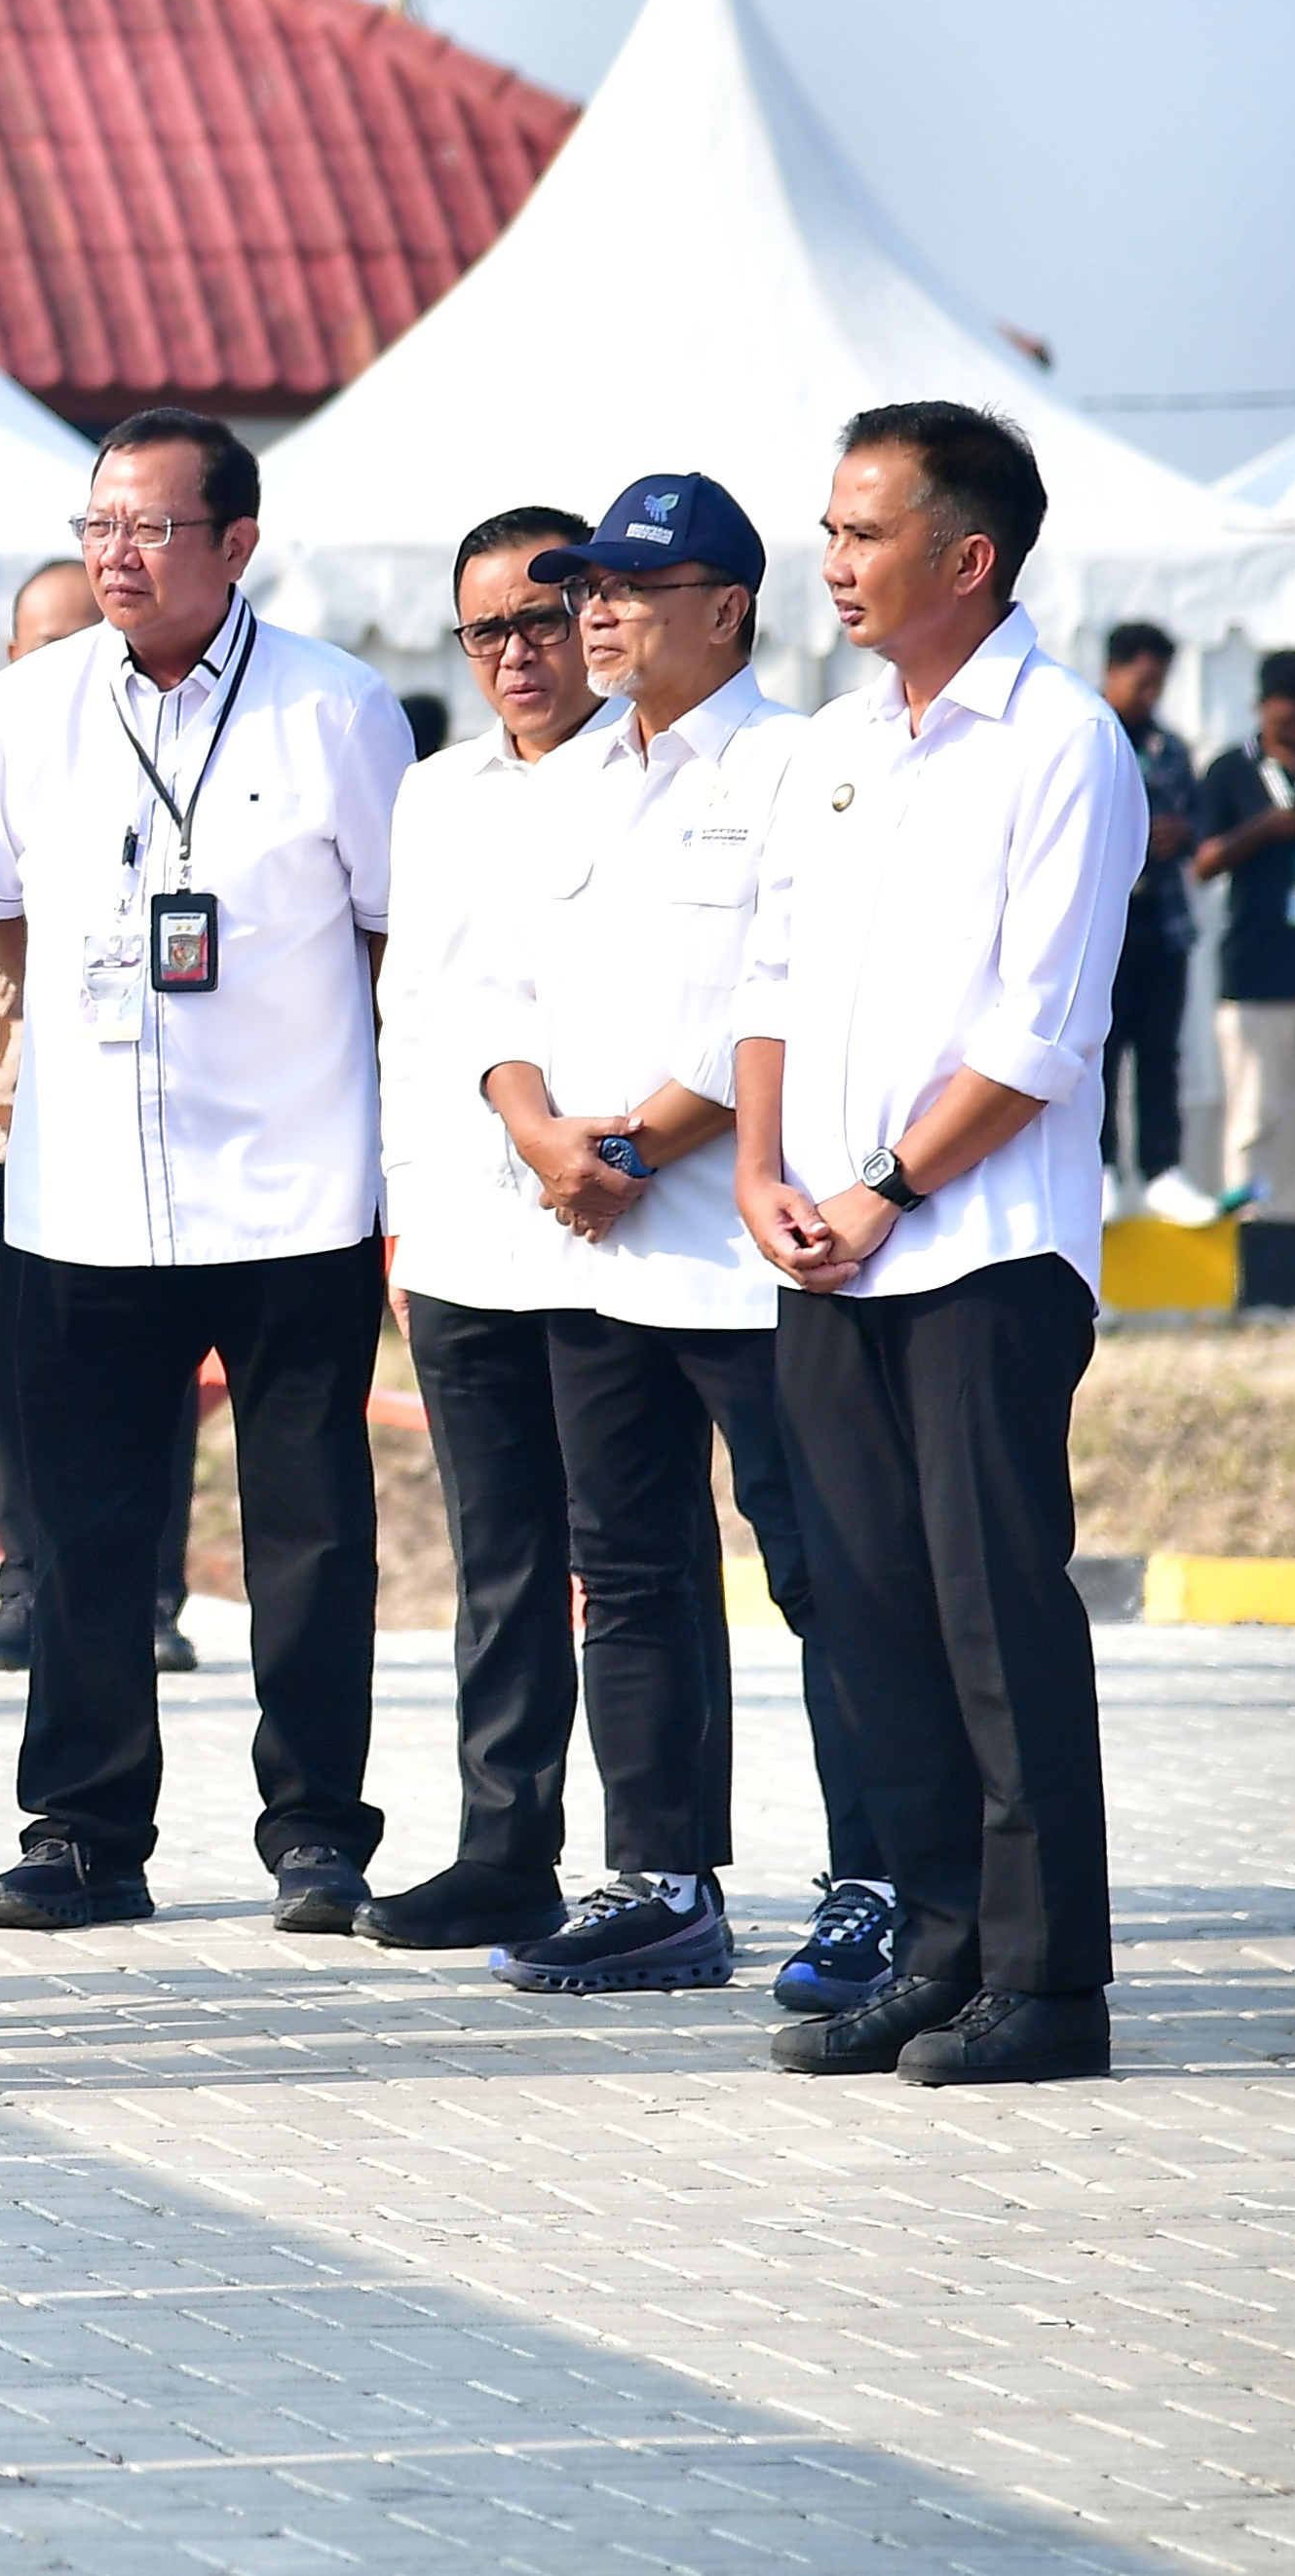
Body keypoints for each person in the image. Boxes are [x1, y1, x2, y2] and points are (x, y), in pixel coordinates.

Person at [0, 407, 413, 1936]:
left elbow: (385, 941)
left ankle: (317, 1832)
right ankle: (85, 1833)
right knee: (83, 1532)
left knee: (308, 1527)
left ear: (234, 542)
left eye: (150, 528)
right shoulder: (28, 706)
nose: (118, 555)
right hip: (83, 1194)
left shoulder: (337, 710)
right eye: (99, 527)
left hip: (292, 1185)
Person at [738, 402, 1134, 2087]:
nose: (831, 564)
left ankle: (1047, 1986)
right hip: (823, 1251)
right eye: (827, 531)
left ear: (966, 557)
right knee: (872, 1611)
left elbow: (1039, 1031)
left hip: (975, 1253)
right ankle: (941, 1946)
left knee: (992, 1614)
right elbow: (762, 984)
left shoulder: (1059, 743)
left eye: (863, 533)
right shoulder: (832, 744)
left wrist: (886, 1184)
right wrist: (762, 1172)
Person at [459, 474, 893, 2009]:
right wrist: (539, 1133)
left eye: (634, 587)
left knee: (823, 1570)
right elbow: (499, 998)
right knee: (628, 1572)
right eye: (587, 587)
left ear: (728, 607)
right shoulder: (573, 777)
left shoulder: (799, 764)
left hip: (751, 1255)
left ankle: (878, 1877)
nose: (596, 611)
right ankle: (660, 1879)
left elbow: (782, 999)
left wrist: (634, 1140)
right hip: (597, 1246)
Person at [358, 506, 607, 1960]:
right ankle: (503, 1848)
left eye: (541, 617)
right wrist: (405, 1219)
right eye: (486, 629)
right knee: (500, 1555)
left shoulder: (649, 774)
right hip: (454, 1230)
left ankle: (662, 1860)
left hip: (605, 1218)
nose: (516, 651)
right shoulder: (437, 790)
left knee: (629, 1564)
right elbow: (417, 1015)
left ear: (599, 614)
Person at [0, 559, 108, 1676]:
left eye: (81, 639)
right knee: (13, 1368)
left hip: (133, 1117)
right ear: (9, 660)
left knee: (124, 1373)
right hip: (3, 1111)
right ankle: (22, 1580)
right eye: (41, 644)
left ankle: (142, 1591)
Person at [1195, 649, 1295, 1218]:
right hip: (1254, 972)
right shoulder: (1232, 769)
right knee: (1255, 1113)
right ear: (1261, 708)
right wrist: (1265, 828)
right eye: (1286, 720)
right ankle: (1249, 1223)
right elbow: (1202, 863)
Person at [1097, 624, 1210, 1222]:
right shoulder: (1088, 734)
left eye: (1158, 685)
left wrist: (1179, 833)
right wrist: (1132, 837)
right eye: (1142, 683)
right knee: (1103, 1052)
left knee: (1161, 1052)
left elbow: (1196, 822)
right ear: (1113, 671)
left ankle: (1163, 1168)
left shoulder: (1170, 747)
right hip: (1103, 927)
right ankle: (1104, 1166)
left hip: (1162, 925)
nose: (1150, 696)